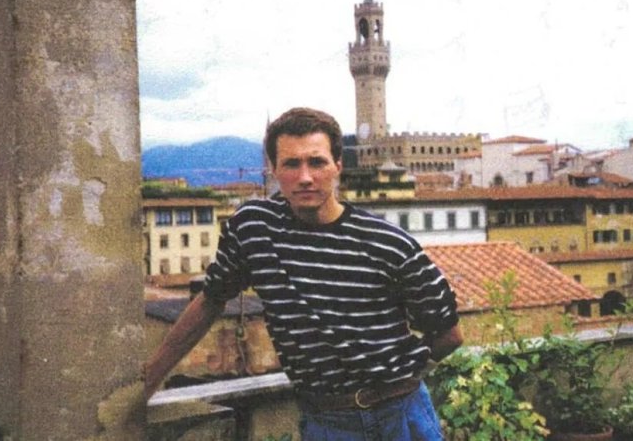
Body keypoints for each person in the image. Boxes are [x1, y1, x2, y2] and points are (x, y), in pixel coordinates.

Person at [144, 107, 463, 440]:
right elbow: (211, 300)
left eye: (317, 162)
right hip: (327, 423)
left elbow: (449, 335)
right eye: (292, 164)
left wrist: (397, 381)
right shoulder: (254, 229)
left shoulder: (388, 242)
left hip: (401, 418)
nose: (305, 177)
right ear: (273, 169)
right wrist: (148, 381)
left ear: (338, 165)